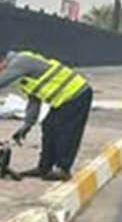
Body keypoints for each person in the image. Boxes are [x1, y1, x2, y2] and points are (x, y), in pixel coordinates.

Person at [0, 50, 94, 181]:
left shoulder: (20, 61)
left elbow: (2, 81)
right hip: (63, 99)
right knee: (49, 126)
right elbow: (34, 100)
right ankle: (44, 168)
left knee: (67, 132)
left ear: (3, 62)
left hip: (76, 94)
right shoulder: (22, 75)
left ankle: (63, 169)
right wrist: (27, 124)